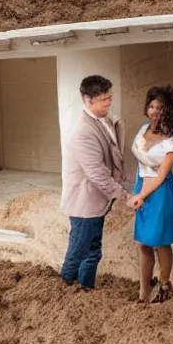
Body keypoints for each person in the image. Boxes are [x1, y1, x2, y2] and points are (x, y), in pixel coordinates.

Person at [60, 75, 128, 289]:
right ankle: (61, 290)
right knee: (79, 252)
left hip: (95, 202)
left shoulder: (105, 120)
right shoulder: (82, 133)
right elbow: (97, 173)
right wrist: (124, 195)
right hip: (84, 204)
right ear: (87, 100)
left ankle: (85, 289)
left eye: (110, 97)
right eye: (103, 99)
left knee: (93, 251)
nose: (109, 102)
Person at [127, 85, 173, 303]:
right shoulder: (143, 128)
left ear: (167, 111)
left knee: (160, 241)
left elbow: (161, 176)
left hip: (160, 193)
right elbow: (140, 166)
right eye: (151, 106)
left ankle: (163, 285)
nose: (154, 111)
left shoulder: (170, 141)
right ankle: (143, 292)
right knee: (143, 242)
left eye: (159, 108)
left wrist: (142, 195)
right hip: (141, 187)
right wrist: (136, 191)